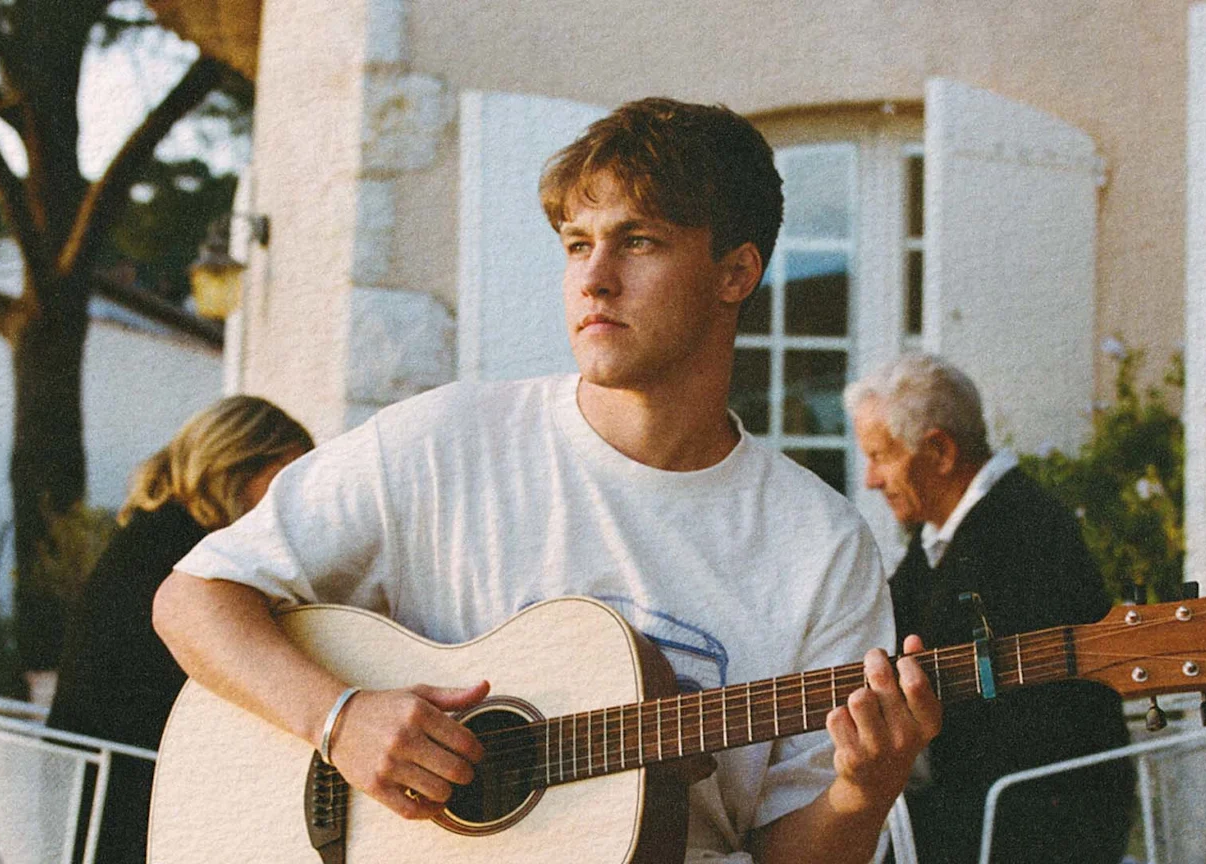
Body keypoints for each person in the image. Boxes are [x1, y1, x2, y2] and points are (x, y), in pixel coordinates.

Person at [153, 97, 941, 864]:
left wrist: (862, 796)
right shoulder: (445, 442)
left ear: (735, 272)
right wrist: (341, 720)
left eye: (638, 242)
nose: (594, 279)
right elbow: (192, 600)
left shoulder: (821, 547)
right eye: (576, 243)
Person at [844, 353, 1135, 864]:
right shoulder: (945, 533)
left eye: (881, 456)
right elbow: (882, 621)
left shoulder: (1020, 533)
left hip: (1036, 824)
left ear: (939, 451)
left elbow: (1019, 727)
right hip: (988, 802)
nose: (870, 479)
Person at [46, 395, 313, 863]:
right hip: (139, 807)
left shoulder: (150, 535)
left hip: (92, 797)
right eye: (289, 477)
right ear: (238, 467)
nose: (298, 497)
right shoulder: (197, 562)